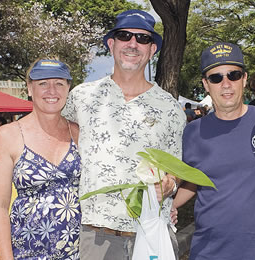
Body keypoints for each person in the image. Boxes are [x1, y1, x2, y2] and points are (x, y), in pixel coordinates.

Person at [61, 9, 186, 259]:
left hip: (151, 235)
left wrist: (171, 184)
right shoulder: (81, 97)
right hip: (96, 234)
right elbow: (53, 135)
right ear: (111, 44)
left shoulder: (170, 108)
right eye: (124, 35)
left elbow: (176, 169)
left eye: (143, 38)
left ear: (152, 50)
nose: (133, 43)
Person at [172, 42, 255, 259]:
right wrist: (168, 205)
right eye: (216, 78)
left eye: (233, 75)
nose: (226, 84)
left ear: (244, 79)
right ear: (206, 84)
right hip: (208, 251)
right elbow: (194, 180)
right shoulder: (193, 132)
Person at [0, 58, 81, 259]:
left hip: (79, 253)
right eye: (43, 83)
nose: (52, 91)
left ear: (68, 88)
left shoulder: (79, 133)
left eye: (59, 83)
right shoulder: (7, 136)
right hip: (26, 253)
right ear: (30, 88)